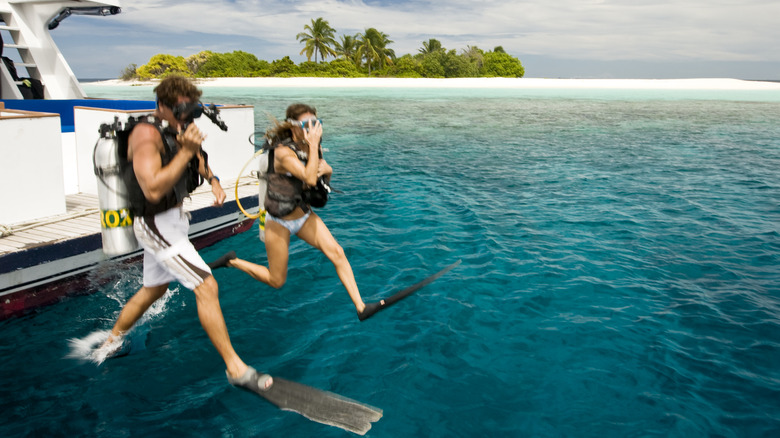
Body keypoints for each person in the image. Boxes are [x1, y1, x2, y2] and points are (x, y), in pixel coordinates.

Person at [98, 76, 271, 392]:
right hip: (155, 224)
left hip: (174, 221)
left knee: (155, 289)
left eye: (190, 110)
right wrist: (185, 149)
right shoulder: (145, 135)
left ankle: (109, 343)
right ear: (161, 106)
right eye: (179, 110)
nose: (186, 117)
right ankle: (235, 367)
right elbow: (152, 189)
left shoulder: (177, 129)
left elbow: (199, 160)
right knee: (206, 284)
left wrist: (215, 181)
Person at [208, 103, 384, 321]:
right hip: (278, 221)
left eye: (316, 124)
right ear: (293, 127)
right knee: (276, 280)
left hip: (302, 215)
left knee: (337, 253)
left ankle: (360, 307)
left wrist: (329, 170)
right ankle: (232, 261)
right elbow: (308, 177)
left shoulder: (310, 148)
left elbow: (318, 183)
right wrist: (314, 147)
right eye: (307, 124)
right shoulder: (283, 153)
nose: (312, 129)